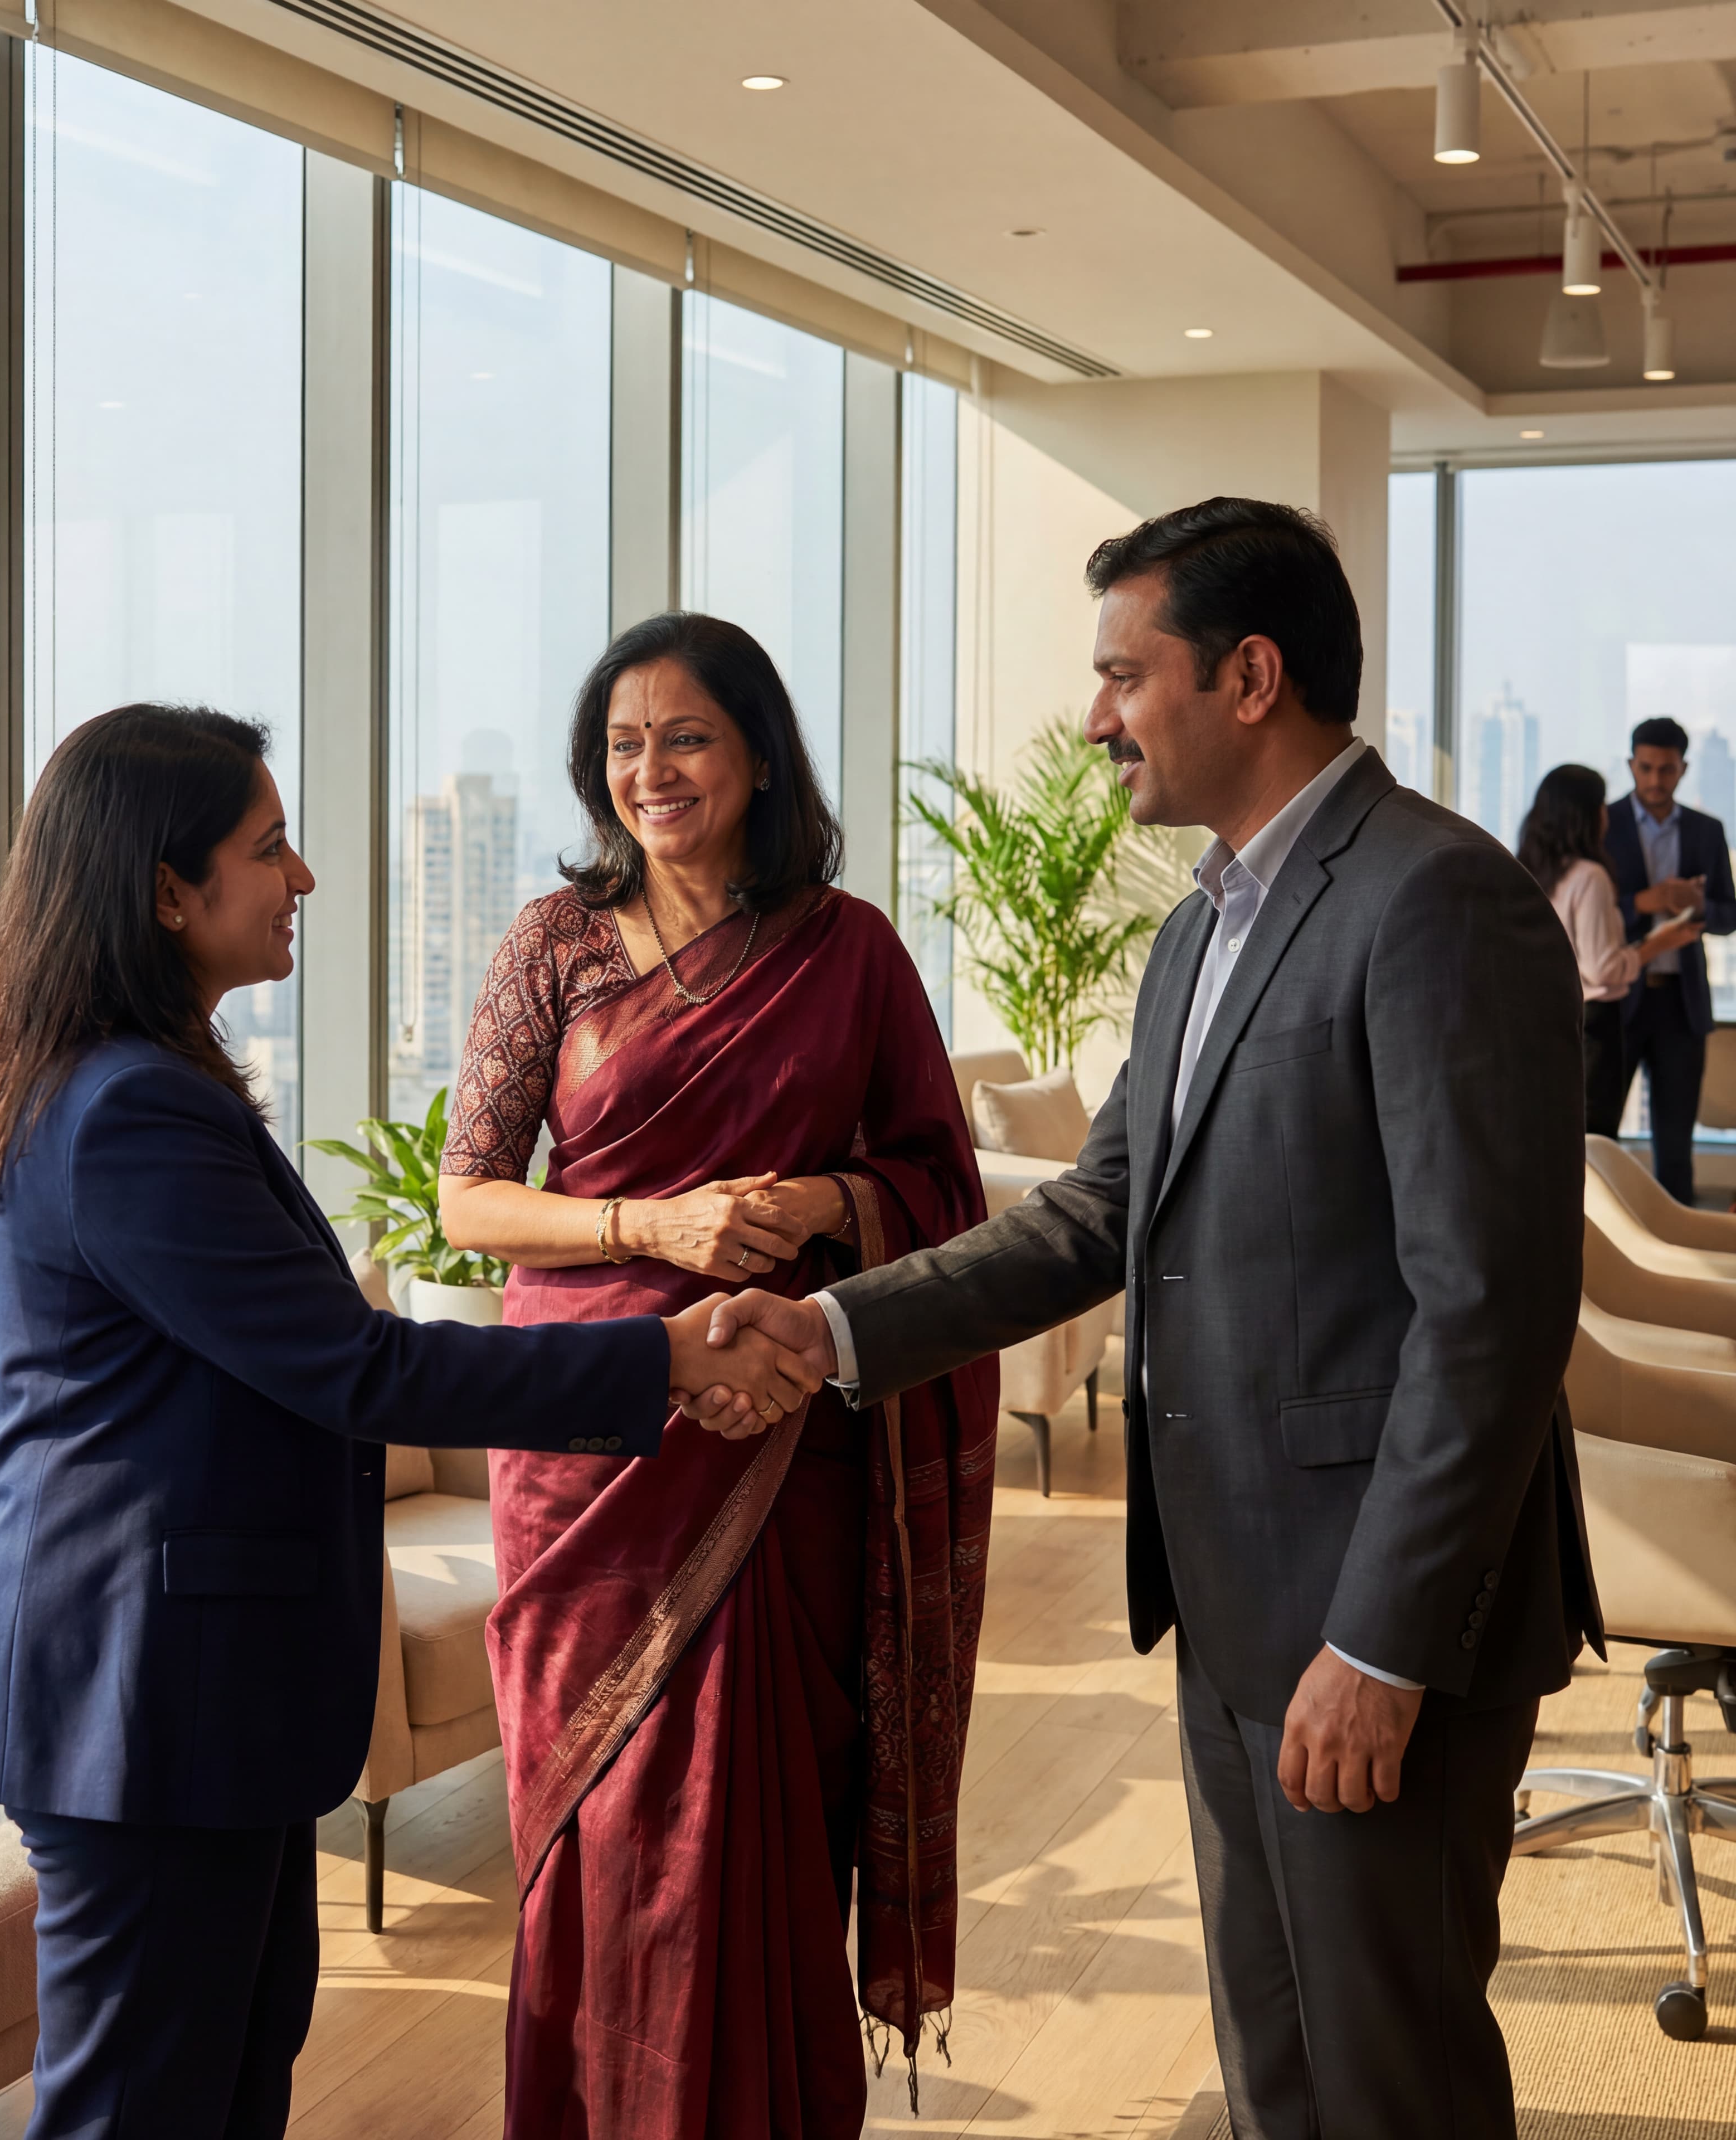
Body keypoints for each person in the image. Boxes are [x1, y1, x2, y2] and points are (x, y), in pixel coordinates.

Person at [709, 500, 1602, 2140]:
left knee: (1384, 2074)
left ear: (1247, 674)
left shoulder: (1433, 899)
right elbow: (1094, 1214)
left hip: (1373, 1618)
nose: (1091, 715)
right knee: (1277, 2064)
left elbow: (1486, 1311)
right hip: (1232, 1596)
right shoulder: (1199, 922)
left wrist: (1380, 1640)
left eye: (1124, 673)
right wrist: (826, 1328)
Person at [0, 704, 814, 2140]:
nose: (304, 877)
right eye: (269, 847)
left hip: (189, 1686)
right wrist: (660, 1358)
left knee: (227, 2065)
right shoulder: (128, 1108)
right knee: (143, 2106)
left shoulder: (137, 1076)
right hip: (135, 1696)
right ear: (165, 888)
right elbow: (356, 1368)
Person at [436, 613, 999, 2138]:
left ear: (757, 754)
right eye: (623, 744)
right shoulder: (551, 945)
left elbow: (939, 1186)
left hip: (787, 1426)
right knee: (605, 1824)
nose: (652, 770)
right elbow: (470, 1199)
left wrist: (814, 1210)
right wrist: (653, 1222)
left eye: (685, 737)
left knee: (765, 1818)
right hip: (594, 1438)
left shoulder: (849, 949)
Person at [1518, 763, 1701, 1136]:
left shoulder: (1531, 867)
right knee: (1596, 1140)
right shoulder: (1590, 876)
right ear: (1586, 815)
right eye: (1601, 805)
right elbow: (1603, 969)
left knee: (1562, 1138)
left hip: (1546, 1016)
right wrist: (1657, 945)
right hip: (1594, 1024)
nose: (1608, 814)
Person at [1603, 715, 1736, 1205]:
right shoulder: (1604, 823)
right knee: (1599, 1135)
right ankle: (1602, 1243)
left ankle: (1676, 1250)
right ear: (1631, 766)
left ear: (1684, 769)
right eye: (1646, 768)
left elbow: (1729, 916)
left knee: (1675, 1146)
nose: (1656, 780)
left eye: (1667, 769)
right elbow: (1581, 912)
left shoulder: (1707, 830)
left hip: (1681, 1005)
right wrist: (1646, 901)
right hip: (1618, 1002)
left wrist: (1696, 904)